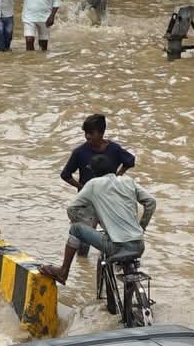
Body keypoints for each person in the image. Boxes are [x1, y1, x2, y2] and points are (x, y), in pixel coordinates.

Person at [41, 154, 153, 284]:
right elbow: (151, 202)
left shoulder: (93, 184)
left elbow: (71, 209)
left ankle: (63, 271)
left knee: (75, 229)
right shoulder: (127, 180)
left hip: (116, 246)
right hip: (139, 245)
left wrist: (84, 223)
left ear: (93, 172)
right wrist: (141, 228)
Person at [59, 113, 134, 190]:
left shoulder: (114, 149)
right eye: (86, 132)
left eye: (91, 133)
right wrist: (83, 188)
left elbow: (130, 160)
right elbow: (65, 175)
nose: (87, 136)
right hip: (89, 199)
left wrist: (118, 175)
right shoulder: (79, 152)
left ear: (102, 133)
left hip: (109, 193)